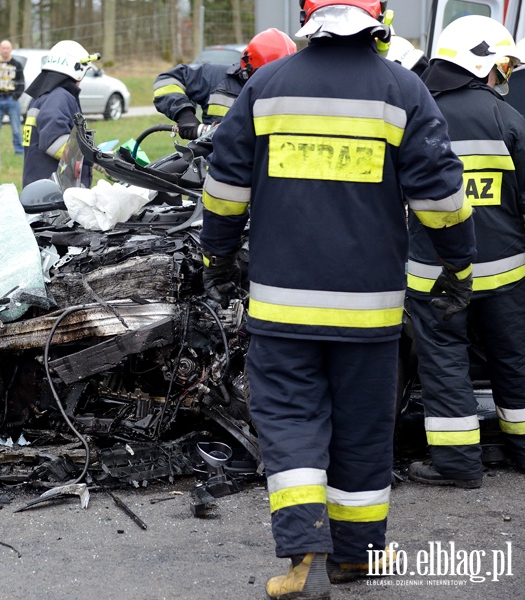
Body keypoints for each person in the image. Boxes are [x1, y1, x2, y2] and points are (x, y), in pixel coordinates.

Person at [199, 1, 476, 598]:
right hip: (369, 310)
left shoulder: (267, 85)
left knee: (292, 425)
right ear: (379, 15)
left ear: (308, 14)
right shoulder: (402, 89)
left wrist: (216, 258)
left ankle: (305, 559)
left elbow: (223, 187)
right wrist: (459, 263)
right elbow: (441, 194)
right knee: (362, 431)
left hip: (283, 309)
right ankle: (356, 557)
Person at [406, 16, 525, 489]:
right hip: (507, 277)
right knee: (513, 362)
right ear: (482, 64)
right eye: (502, 67)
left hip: (434, 276)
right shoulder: (509, 119)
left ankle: (458, 465)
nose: (504, 77)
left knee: (444, 364)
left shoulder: (420, 116)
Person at [153, 28, 296, 140]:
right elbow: (167, 81)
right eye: (265, 75)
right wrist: (184, 115)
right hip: (210, 166)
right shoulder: (216, 78)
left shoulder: (294, 92)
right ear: (247, 65)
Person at [22, 40, 98, 187]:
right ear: (77, 70)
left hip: (40, 186)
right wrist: (94, 158)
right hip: (56, 192)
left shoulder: (44, 95)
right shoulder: (59, 97)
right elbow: (54, 142)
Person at [0, 40, 26, 156]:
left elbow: (21, 82)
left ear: (11, 49)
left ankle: (19, 152)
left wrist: (15, 96)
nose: (5, 51)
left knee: (16, 128)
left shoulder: (16, 65)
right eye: (3, 48)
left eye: (7, 48)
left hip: (12, 100)